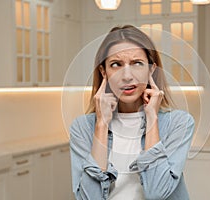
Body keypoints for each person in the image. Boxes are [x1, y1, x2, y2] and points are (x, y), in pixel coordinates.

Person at [69, 25, 195, 200]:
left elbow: (157, 193)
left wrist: (152, 118)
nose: (127, 76)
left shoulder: (179, 123)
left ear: (151, 69)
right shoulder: (82, 127)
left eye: (137, 63)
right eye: (116, 64)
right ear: (104, 71)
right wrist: (101, 124)